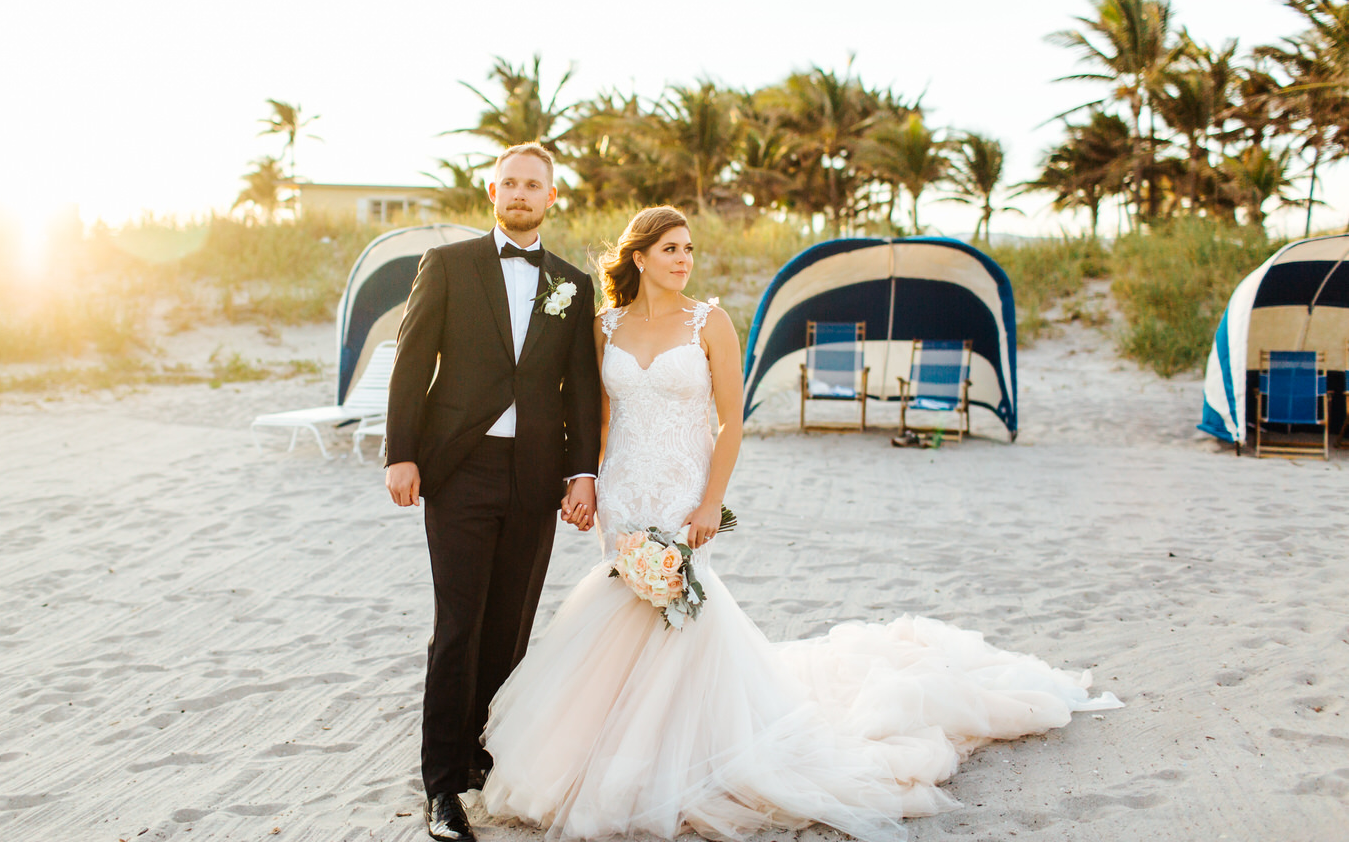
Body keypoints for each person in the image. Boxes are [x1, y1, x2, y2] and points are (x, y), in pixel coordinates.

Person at [479, 205, 1122, 842]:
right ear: (640, 257)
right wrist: (586, 478)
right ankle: (610, 751)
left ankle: (688, 753)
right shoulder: (604, 326)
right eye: (671, 249)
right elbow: (599, 419)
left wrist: (710, 502)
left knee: (684, 612)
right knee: (624, 608)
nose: (684, 260)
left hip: (682, 488)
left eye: (689, 249)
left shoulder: (711, 321)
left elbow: (731, 420)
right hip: (625, 489)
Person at [384, 142, 602, 842]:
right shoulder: (447, 266)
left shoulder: (572, 282)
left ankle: (486, 754)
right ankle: (442, 786)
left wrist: (582, 471)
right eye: (508, 182)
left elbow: (581, 388)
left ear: (551, 197)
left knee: (511, 622)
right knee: (458, 626)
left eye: (532, 184)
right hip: (459, 469)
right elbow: (412, 361)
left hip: (535, 476)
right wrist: (401, 454)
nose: (519, 193)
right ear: (491, 192)